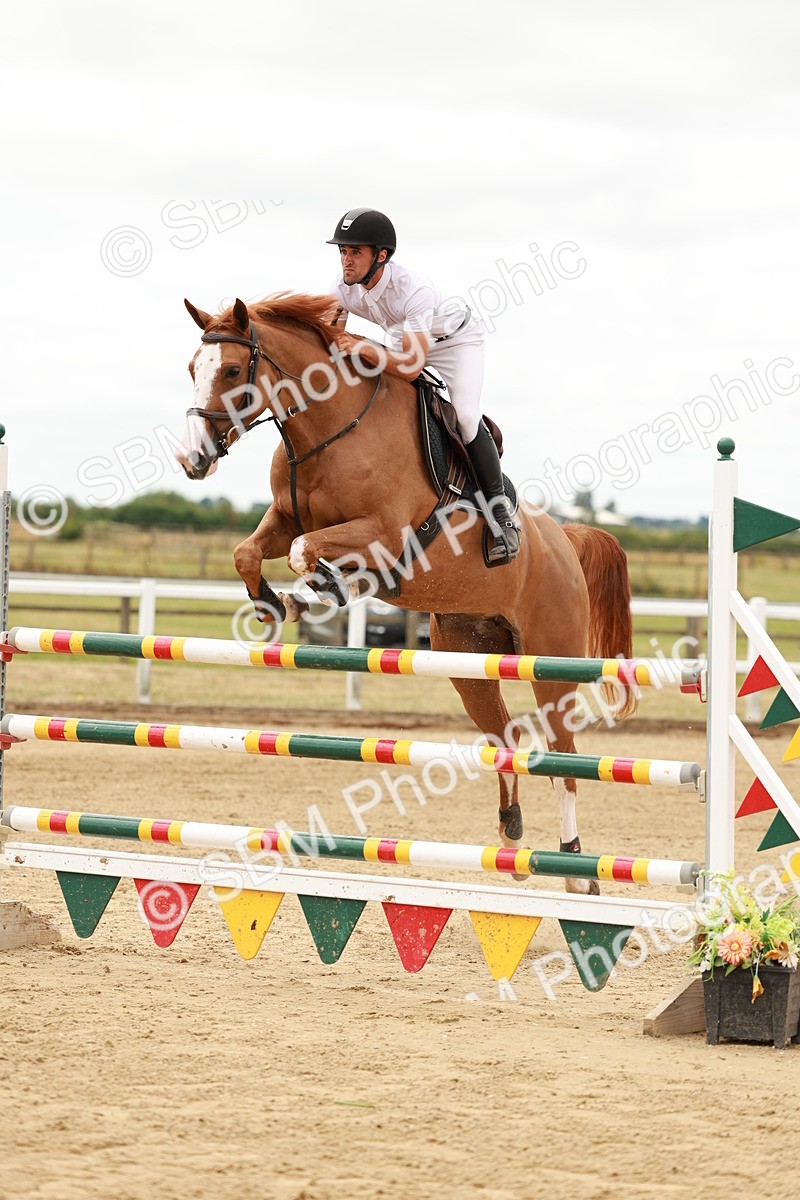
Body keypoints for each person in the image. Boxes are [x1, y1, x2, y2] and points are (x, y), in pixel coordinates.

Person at [327, 207, 520, 563]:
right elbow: (330, 337)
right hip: (404, 340)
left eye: (355, 252)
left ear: (381, 256)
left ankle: (501, 513)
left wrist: (364, 346)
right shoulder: (343, 289)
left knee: (463, 415)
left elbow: (413, 366)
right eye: (342, 251)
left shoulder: (413, 289)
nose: (346, 260)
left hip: (454, 343)